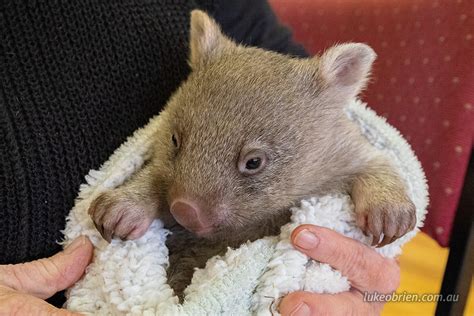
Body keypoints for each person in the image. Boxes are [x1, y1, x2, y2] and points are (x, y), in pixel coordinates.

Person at [0, 0, 399, 314]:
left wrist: (379, 212)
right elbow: (159, 172)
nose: (187, 203)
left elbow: (367, 158)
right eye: (179, 141)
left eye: (253, 163)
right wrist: (141, 196)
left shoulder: (323, 116)